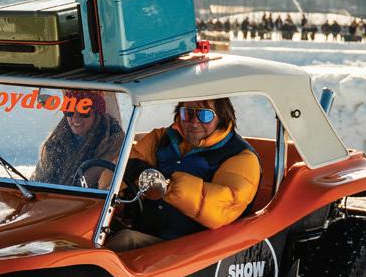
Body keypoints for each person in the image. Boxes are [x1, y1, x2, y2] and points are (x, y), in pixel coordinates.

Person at [105, 97, 260, 251]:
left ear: (222, 117)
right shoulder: (163, 138)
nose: (194, 122)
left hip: (192, 250)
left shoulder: (241, 157)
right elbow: (118, 169)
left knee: (123, 242)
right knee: (98, 232)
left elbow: (222, 207)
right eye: (187, 113)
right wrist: (117, 194)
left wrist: (166, 186)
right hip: (149, 234)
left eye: (204, 115)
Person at [31, 90, 126, 188]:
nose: (75, 118)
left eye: (83, 111)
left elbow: (86, 187)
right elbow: (38, 183)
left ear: (96, 113)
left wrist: (106, 158)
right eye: (70, 111)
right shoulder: (55, 144)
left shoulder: (113, 145)